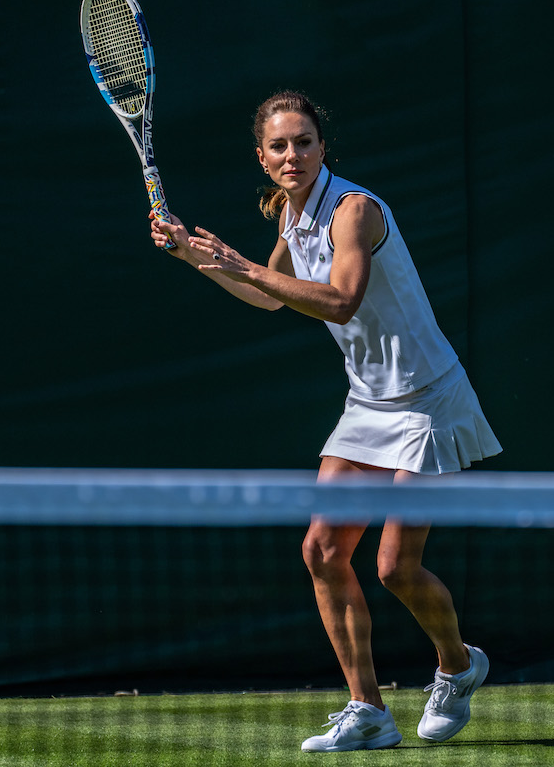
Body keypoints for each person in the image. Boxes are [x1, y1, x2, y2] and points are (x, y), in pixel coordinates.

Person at [150, 90, 502, 752]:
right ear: (263, 156)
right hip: (368, 404)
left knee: (396, 567)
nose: (293, 156)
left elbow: (339, 302)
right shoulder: (290, 212)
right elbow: (268, 297)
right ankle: (368, 711)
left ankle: (458, 664)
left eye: (304, 142)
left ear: (321, 146)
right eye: (279, 146)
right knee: (321, 551)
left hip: (426, 399)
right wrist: (190, 255)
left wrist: (242, 262)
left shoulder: (354, 211)